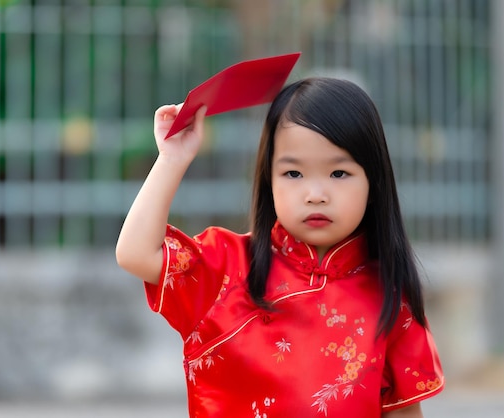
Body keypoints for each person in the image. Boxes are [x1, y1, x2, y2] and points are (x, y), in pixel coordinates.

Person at [116, 77, 444, 417]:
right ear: (268, 180)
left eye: (338, 173)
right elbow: (136, 253)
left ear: (373, 183)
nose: (315, 194)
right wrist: (172, 160)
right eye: (293, 174)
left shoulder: (390, 297)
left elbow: (403, 412)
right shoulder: (225, 267)